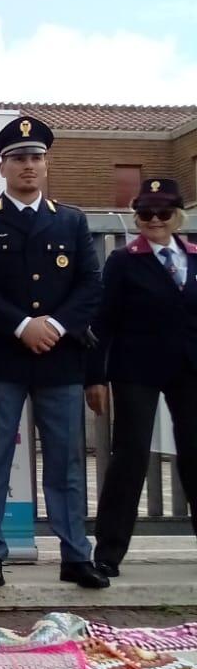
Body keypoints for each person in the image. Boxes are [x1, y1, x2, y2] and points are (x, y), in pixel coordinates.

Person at [0, 115, 106, 588]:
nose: (28, 166)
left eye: (36, 158)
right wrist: (22, 325)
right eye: (19, 158)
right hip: (3, 355)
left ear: (46, 165)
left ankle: (75, 554)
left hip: (60, 357)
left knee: (65, 460)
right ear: (2, 167)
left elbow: (90, 284)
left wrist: (56, 325)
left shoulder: (72, 219)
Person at [87, 176, 197, 575]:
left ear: (177, 216)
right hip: (137, 369)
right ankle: (109, 552)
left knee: (196, 454)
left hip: (189, 369)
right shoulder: (123, 261)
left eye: (162, 212)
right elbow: (103, 322)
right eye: (145, 213)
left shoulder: (194, 256)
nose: (154, 219)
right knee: (130, 456)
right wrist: (94, 377)